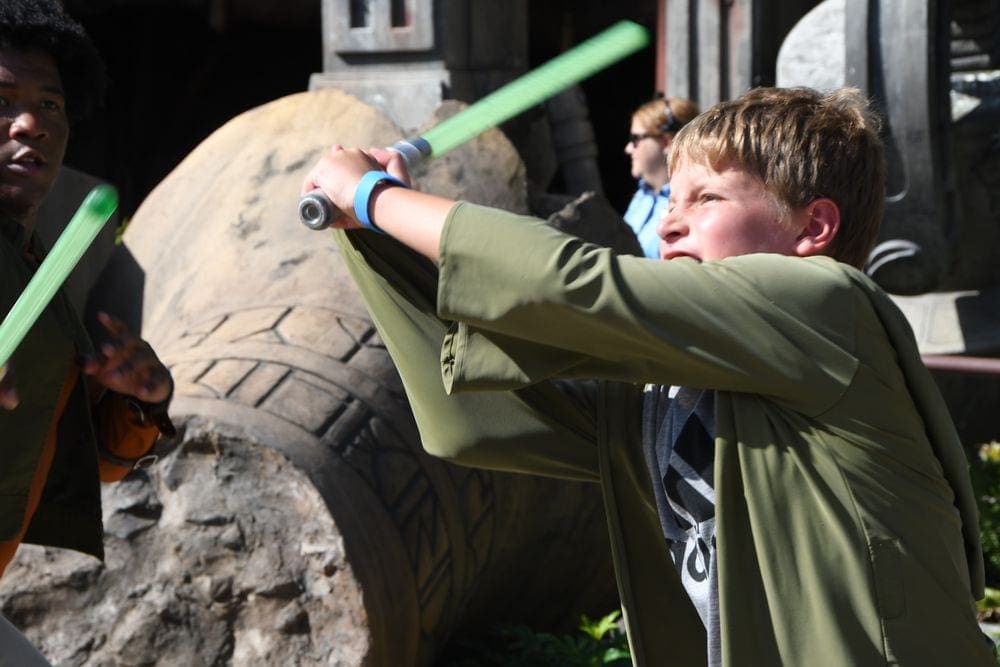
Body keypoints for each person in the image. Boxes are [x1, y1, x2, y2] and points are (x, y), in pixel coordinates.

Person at [301, 86, 994, 666]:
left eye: (708, 200)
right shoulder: (661, 391)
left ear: (814, 227)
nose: (670, 226)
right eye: (670, 202)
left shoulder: (831, 305)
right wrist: (369, 237)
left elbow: (575, 289)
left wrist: (375, 197)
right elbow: (471, 416)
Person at [0, 0, 174, 660]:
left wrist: (139, 399)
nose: (32, 124)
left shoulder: (38, 266)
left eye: (51, 105)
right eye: (4, 97)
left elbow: (92, 460)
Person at [622, 93, 698, 258]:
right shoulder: (642, 195)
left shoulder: (690, 203)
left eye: (635, 138)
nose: (628, 148)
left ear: (666, 142)